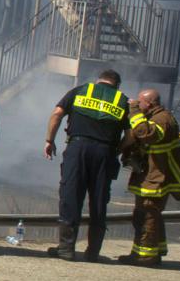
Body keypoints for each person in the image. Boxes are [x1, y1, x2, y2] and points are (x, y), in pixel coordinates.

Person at [44, 68, 129, 261]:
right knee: (99, 200)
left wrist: (49, 140)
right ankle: (92, 252)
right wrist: (116, 150)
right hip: (105, 152)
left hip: (78, 147)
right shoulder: (122, 100)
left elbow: (57, 114)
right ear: (116, 85)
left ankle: (66, 248)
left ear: (98, 81)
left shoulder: (81, 90)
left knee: (70, 194)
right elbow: (131, 136)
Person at [117, 88, 180, 266]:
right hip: (150, 174)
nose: (138, 105)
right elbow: (135, 136)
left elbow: (146, 134)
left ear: (150, 103)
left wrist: (133, 111)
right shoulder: (153, 117)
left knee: (148, 214)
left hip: (158, 177)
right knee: (144, 214)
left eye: (140, 103)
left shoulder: (163, 119)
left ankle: (147, 256)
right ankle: (143, 252)